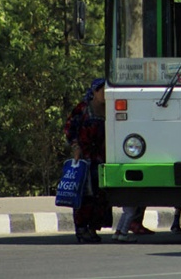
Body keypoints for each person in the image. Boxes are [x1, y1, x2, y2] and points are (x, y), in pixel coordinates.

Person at [64, 78, 111, 243]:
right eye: (102, 90)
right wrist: (75, 147)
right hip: (84, 158)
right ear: (94, 92)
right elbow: (70, 128)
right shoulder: (83, 109)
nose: (105, 94)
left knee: (100, 195)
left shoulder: (110, 109)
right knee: (85, 195)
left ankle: (93, 228)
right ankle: (81, 228)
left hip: (101, 158)